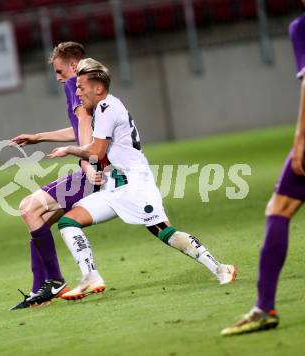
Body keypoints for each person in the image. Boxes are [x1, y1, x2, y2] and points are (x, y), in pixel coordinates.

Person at [48, 58, 237, 300]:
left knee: (164, 232)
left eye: (81, 87)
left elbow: (96, 151)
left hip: (136, 185)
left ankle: (221, 268)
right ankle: (90, 276)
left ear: (98, 88)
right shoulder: (100, 110)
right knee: (68, 223)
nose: (77, 92)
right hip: (114, 185)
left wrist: (70, 151)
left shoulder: (107, 107)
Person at [221, 10, 305, 336]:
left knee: (278, 210)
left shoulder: (301, 27)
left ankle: (265, 307)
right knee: (279, 208)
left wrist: (300, 140)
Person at [8, 42, 102, 309]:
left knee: (28, 208)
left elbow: (83, 124)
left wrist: (87, 161)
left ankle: (55, 281)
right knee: (40, 220)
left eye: (60, 71)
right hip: (99, 168)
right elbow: (77, 128)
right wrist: (38, 137)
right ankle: (40, 289)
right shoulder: (91, 88)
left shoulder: (76, 86)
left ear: (73, 66)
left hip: (93, 172)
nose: (58, 77)